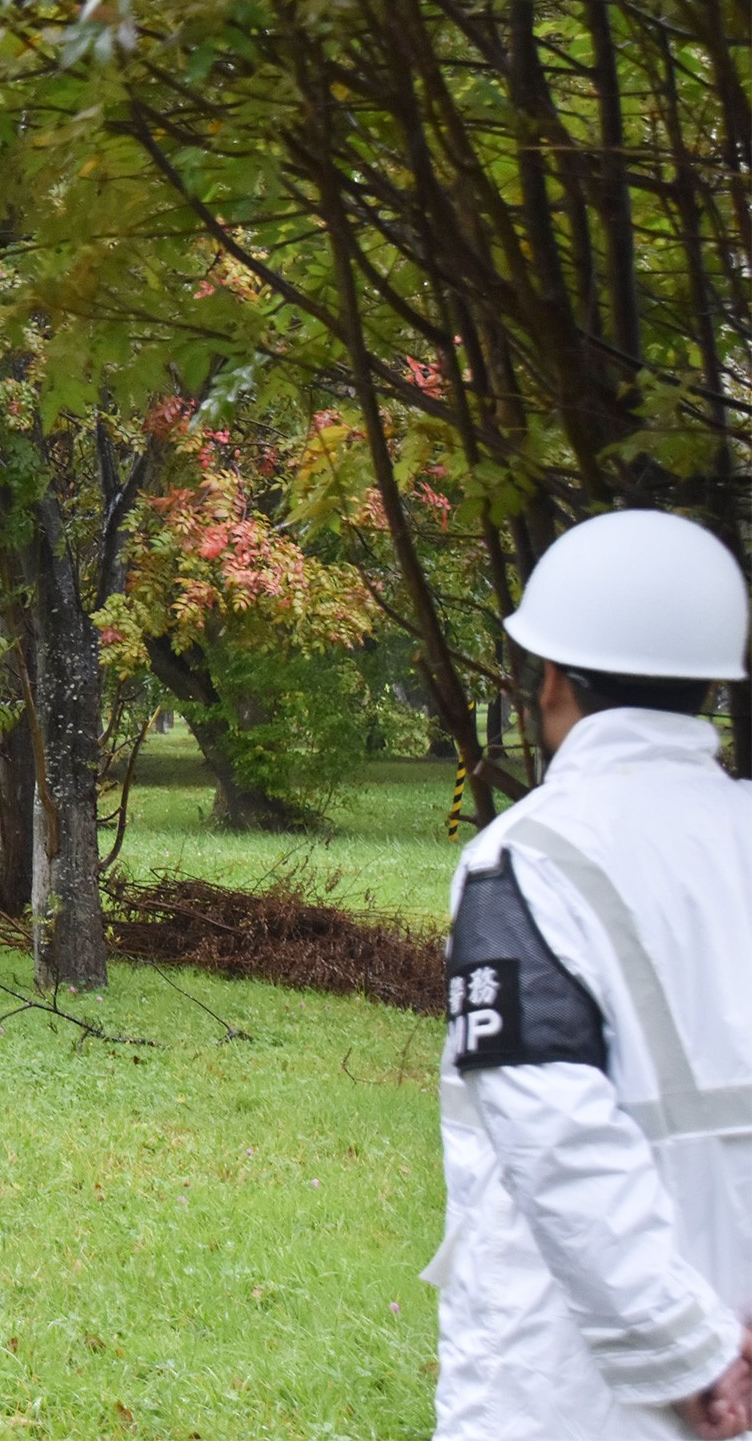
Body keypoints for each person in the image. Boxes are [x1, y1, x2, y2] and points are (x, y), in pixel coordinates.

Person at [428, 510, 752, 1439]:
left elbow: (555, 1131)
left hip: (579, 1384)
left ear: (554, 681)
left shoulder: (527, 860)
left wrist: (689, 1353)